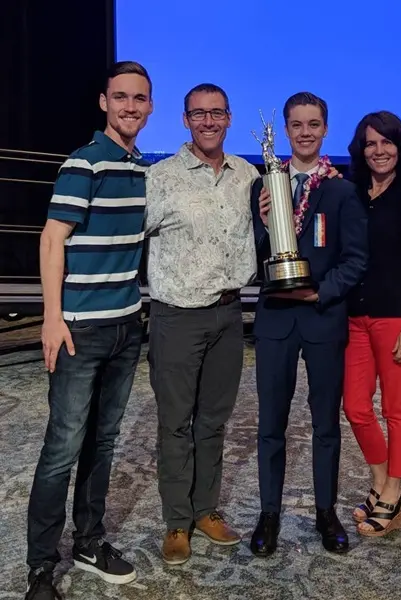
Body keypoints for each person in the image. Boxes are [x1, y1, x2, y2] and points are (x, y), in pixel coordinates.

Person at [25, 61, 153, 599]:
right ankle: (39, 568)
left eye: (139, 99)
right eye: (120, 97)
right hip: (80, 330)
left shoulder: (141, 168)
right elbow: (52, 241)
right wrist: (52, 318)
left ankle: (89, 539)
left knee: (103, 443)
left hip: (126, 327)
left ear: (150, 107)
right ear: (104, 102)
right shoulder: (84, 163)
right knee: (62, 447)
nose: (129, 107)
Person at [249, 92, 369, 557]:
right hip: (276, 320)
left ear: (325, 129)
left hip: (322, 319)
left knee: (325, 425)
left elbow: (356, 259)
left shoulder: (342, 190)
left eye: (313, 124)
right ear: (284, 128)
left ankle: (326, 512)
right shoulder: (264, 185)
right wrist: (262, 225)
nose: (304, 132)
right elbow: (253, 252)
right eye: (296, 124)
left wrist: (322, 292)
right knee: (270, 425)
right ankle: (269, 513)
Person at [144, 83, 258, 566]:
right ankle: (176, 521)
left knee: (213, 422)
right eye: (199, 114)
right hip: (177, 317)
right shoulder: (160, 178)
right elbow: (129, 236)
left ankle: (206, 510)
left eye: (217, 113)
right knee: (175, 424)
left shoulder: (249, 176)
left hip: (229, 316)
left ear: (229, 118)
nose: (208, 121)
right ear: (185, 120)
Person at [343, 111, 401, 537]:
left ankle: (393, 492)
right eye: (370, 143)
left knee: (396, 409)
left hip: (395, 316)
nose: (378, 151)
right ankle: (380, 480)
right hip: (354, 318)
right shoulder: (354, 191)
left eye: (387, 143)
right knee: (355, 407)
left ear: (400, 147)